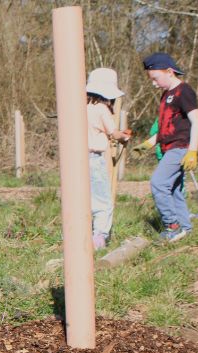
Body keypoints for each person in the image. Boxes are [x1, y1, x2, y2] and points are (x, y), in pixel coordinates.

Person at [136, 52, 198, 242]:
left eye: (155, 78)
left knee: (158, 183)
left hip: (180, 148)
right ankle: (185, 228)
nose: (154, 84)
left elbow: (196, 122)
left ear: (169, 72)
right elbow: (166, 127)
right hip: (168, 148)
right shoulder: (166, 95)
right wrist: (150, 142)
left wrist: (192, 151)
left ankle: (172, 225)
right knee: (173, 190)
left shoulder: (184, 91)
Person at [85, 68, 131, 250]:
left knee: (83, 199)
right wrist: (124, 136)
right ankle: (99, 238)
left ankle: (79, 235)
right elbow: (114, 133)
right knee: (103, 202)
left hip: (76, 160)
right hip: (94, 159)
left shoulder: (80, 106)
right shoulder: (102, 109)